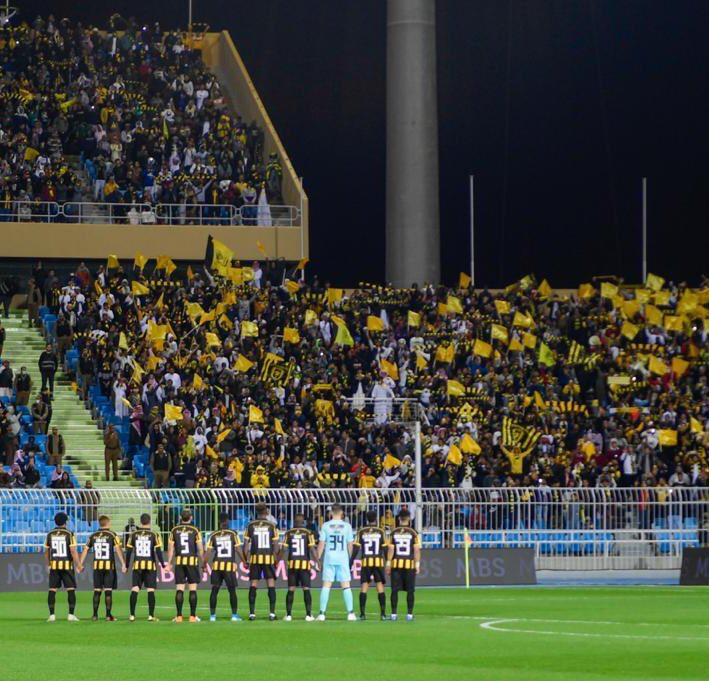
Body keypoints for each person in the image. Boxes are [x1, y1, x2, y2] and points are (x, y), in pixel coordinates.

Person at [79, 515, 126, 621]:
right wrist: (123, 563)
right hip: (109, 567)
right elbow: (118, 549)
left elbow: (85, 550)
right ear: (108, 523)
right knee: (108, 591)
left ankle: (95, 615)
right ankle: (108, 616)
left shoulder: (93, 536)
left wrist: (80, 564)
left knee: (97, 591)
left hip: (97, 567)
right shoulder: (112, 535)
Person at [315, 503, 357, 621]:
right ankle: (350, 613)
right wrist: (350, 559)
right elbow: (350, 544)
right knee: (346, 586)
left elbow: (321, 544)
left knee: (326, 585)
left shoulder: (326, 526)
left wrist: (317, 560)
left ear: (331, 513)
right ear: (342, 513)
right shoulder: (347, 526)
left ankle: (322, 613)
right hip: (342, 559)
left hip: (329, 558)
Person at [242, 503, 280, 621]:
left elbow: (245, 546)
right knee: (271, 584)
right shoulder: (272, 525)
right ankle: (272, 613)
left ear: (257, 512)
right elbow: (276, 546)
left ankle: (252, 613)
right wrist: (275, 559)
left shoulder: (250, 525)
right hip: (268, 558)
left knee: (253, 585)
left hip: (255, 558)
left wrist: (245, 559)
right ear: (266, 512)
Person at [125, 513, 165, 622]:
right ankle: (151, 616)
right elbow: (158, 551)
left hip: (137, 565)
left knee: (135, 588)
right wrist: (163, 565)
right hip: (150, 565)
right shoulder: (154, 534)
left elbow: (128, 552)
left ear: (140, 521)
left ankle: (132, 615)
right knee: (150, 590)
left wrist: (126, 565)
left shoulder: (133, 534)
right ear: (150, 521)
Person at [166, 509, 204, 623]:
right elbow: (200, 548)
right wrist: (204, 562)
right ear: (191, 517)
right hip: (192, 562)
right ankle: (192, 616)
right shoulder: (195, 530)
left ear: (180, 517)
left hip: (179, 561)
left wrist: (169, 563)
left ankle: (179, 616)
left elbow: (170, 549)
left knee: (180, 589)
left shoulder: (174, 530)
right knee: (193, 589)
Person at [204, 512, 243, 622]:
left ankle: (212, 616)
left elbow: (208, 552)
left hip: (217, 566)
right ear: (227, 521)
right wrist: (245, 561)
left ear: (219, 522)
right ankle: (234, 615)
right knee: (232, 591)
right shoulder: (232, 534)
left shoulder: (213, 535)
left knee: (214, 590)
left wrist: (203, 564)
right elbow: (238, 549)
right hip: (229, 566)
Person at [44, 512, 82, 622]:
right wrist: (79, 565)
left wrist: (48, 564)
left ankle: (51, 615)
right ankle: (71, 615)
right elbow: (73, 551)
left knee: (52, 589)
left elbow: (46, 552)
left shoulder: (50, 534)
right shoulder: (69, 534)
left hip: (54, 565)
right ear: (65, 522)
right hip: (67, 565)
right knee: (70, 589)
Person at [351, 510, 389, 620]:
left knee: (364, 587)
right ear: (376, 519)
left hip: (366, 561)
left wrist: (351, 561)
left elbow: (356, 548)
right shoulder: (380, 531)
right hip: (378, 561)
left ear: (367, 519)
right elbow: (385, 548)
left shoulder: (361, 531)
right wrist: (388, 562)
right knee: (380, 586)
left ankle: (362, 614)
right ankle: (383, 614)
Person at [281, 512, 317, 621]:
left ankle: (288, 615)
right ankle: (308, 615)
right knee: (306, 589)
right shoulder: (308, 533)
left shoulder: (289, 533)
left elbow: (284, 549)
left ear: (294, 522)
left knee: (291, 589)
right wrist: (318, 561)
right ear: (303, 522)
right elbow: (312, 549)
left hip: (292, 564)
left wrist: (278, 560)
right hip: (304, 565)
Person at [386, 509, 421, 621]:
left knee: (394, 590)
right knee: (410, 590)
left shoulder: (394, 532)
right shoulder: (413, 532)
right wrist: (417, 564)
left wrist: (388, 563)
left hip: (396, 565)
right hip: (409, 565)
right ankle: (409, 614)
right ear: (409, 519)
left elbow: (391, 548)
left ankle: (393, 614)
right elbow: (416, 550)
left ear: (399, 519)